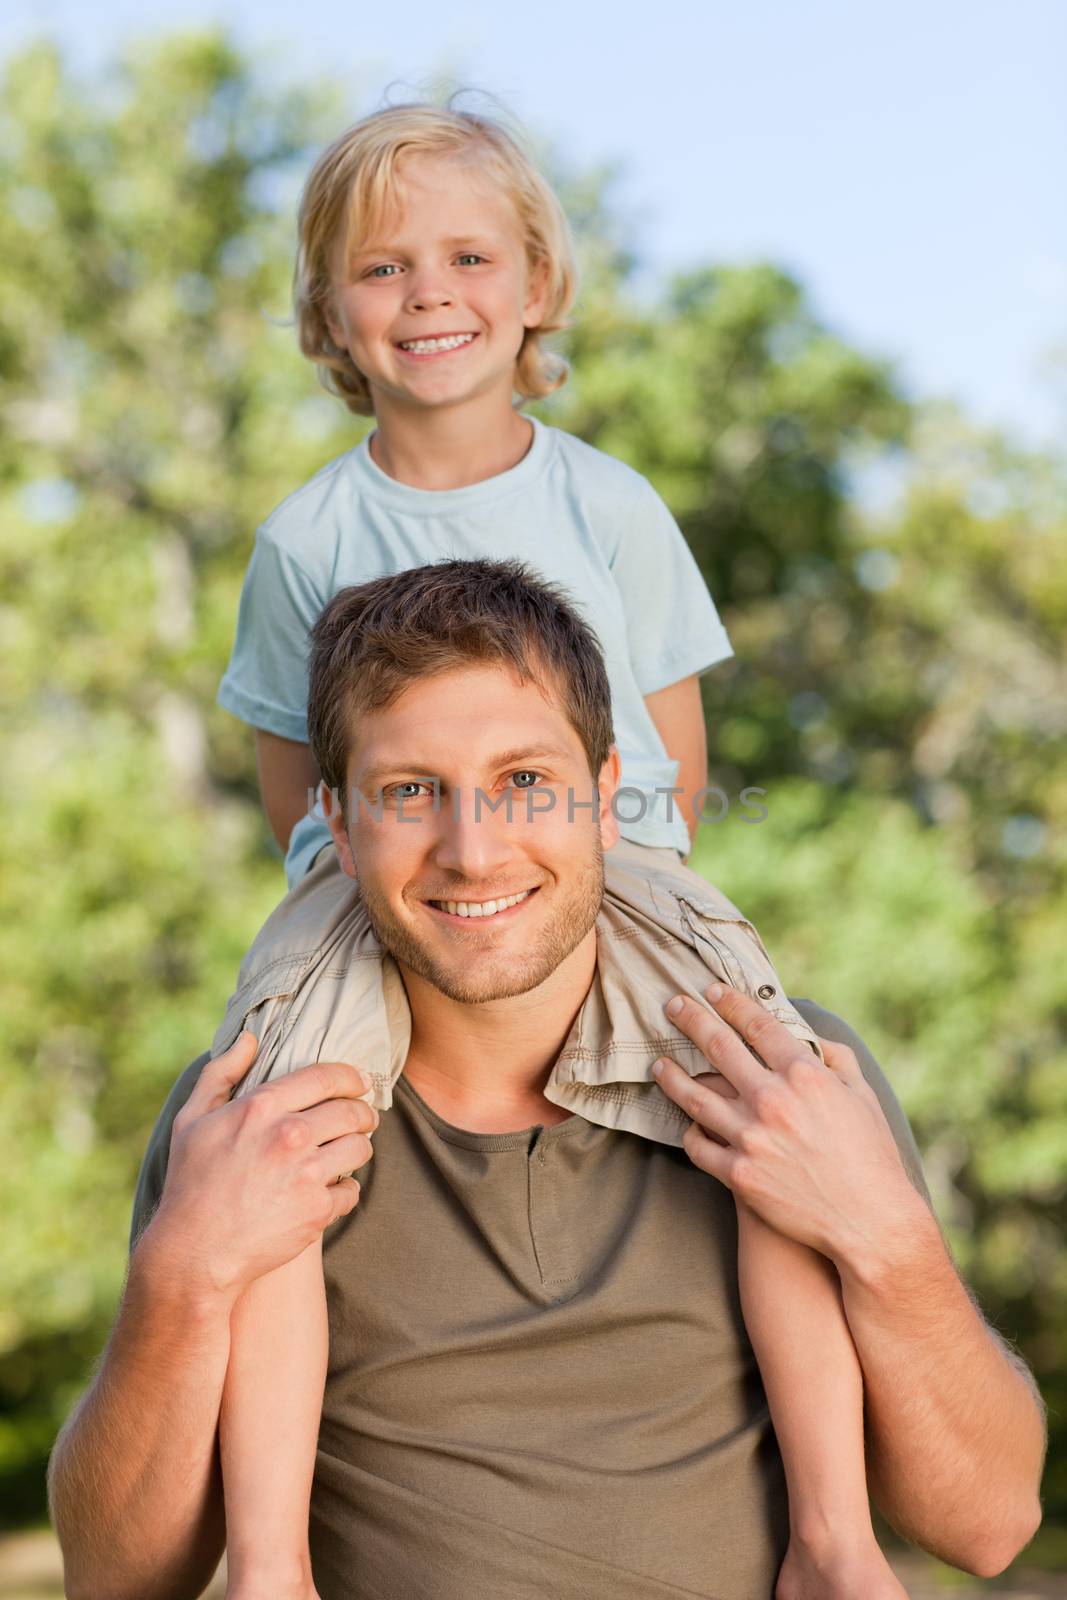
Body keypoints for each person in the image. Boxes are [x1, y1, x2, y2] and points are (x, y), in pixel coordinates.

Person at [181, 91, 921, 1597]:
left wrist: (638, 885)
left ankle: (834, 1538)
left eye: (465, 259)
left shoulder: (607, 502)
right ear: (328, 310)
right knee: (273, 1162)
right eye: (382, 269)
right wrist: (344, 900)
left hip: (611, 869)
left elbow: (666, 736)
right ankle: (268, 1562)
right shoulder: (307, 538)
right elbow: (284, 758)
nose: (428, 295)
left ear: (534, 287)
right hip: (369, 886)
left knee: (754, 1118)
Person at [48, 564, 1045, 1600]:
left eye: (524, 780)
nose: (472, 851)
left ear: (605, 798)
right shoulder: (250, 1114)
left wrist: (887, 1240)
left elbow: (985, 1526)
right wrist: (180, 1278)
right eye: (407, 792)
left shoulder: (789, 1084)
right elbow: (118, 1580)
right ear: (339, 827)